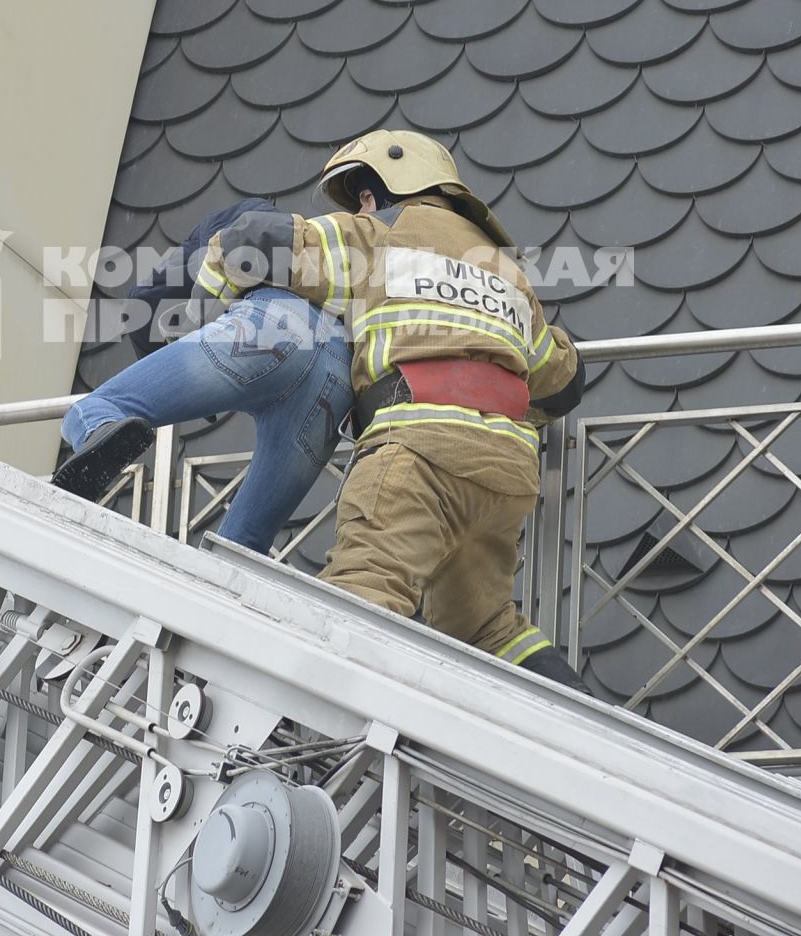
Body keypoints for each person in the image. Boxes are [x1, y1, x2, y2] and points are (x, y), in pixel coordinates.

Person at [193, 131, 589, 690]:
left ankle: (321, 753)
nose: (360, 207)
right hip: (505, 473)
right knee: (488, 630)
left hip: (415, 455)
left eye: (362, 195)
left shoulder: (378, 236)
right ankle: (579, 722)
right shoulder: (509, 274)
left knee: (361, 597)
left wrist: (208, 302)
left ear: (382, 193)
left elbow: (254, 242)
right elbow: (561, 381)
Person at [53, 197, 353, 554]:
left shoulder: (229, 222)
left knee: (95, 408)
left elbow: (145, 301)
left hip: (268, 328)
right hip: (339, 370)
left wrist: (189, 388)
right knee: (241, 544)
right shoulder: (326, 244)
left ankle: (98, 433)